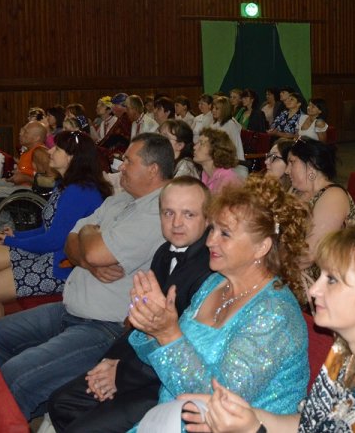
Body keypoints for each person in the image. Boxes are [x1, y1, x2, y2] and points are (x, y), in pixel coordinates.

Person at [180, 226, 355, 433]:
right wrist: (251, 418)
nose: (313, 290)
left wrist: (254, 430)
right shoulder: (349, 347)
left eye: (332, 280)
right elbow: (312, 424)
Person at [0, 133, 174, 419]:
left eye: (128, 161)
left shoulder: (157, 212)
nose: (121, 166)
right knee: (0, 333)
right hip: (72, 308)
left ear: (152, 170)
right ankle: (37, 403)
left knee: (16, 375)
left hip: (104, 326)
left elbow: (92, 250)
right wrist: (88, 256)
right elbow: (70, 240)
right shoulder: (121, 200)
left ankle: (19, 407)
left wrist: (87, 248)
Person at [127, 175, 311, 430]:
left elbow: (216, 403)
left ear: (261, 248)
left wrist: (168, 334)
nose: (210, 241)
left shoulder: (275, 313)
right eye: (212, 229)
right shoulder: (215, 283)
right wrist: (152, 327)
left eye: (224, 233)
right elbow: (165, 363)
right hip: (168, 419)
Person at [45, 177, 215, 433]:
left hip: (166, 384)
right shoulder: (163, 253)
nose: (176, 223)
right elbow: (138, 323)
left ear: (207, 218)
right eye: (168, 213)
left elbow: (185, 349)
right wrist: (109, 361)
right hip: (138, 364)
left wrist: (120, 374)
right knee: (61, 404)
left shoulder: (210, 269)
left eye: (188, 214)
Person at [0, 131, 112, 353]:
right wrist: (16, 236)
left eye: (57, 149)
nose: (49, 151)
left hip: (64, 265)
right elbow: (48, 228)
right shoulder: (65, 185)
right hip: (55, 254)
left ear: (72, 157)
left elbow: (54, 240)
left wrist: (13, 242)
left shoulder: (80, 191)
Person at [286, 138, 355, 270]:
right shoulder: (296, 191)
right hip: (288, 267)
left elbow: (308, 256)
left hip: (323, 275)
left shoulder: (334, 196)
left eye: (292, 162)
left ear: (311, 164)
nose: (286, 170)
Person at [194, 128, 244, 194]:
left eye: (201, 143)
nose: (194, 147)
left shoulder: (228, 182)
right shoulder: (205, 174)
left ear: (215, 150)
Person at [211, 97, 245, 161]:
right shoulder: (214, 124)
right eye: (213, 108)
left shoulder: (231, 125)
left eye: (217, 108)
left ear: (224, 110)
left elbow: (237, 146)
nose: (213, 110)